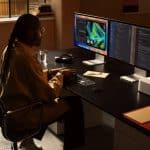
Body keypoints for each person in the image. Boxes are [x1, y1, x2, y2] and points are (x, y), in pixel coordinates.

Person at [0, 14, 84, 150]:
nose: (41, 34)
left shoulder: (11, 49)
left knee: (48, 101)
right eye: (40, 30)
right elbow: (49, 94)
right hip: (23, 115)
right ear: (31, 32)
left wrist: (49, 73)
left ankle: (28, 141)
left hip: (11, 112)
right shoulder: (26, 57)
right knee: (73, 104)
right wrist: (60, 76)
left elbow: (25, 79)